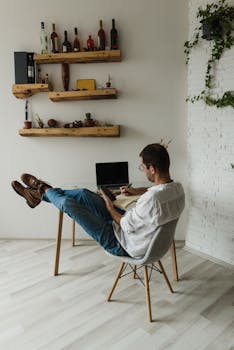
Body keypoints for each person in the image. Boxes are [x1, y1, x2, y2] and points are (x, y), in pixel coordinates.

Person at [11, 143, 185, 258]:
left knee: (68, 204)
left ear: (152, 169)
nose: (143, 171)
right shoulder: (177, 189)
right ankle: (37, 194)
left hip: (123, 243)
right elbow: (154, 192)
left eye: (143, 167)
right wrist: (135, 191)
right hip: (135, 232)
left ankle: (41, 189)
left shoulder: (152, 200)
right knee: (83, 194)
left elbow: (125, 224)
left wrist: (109, 206)